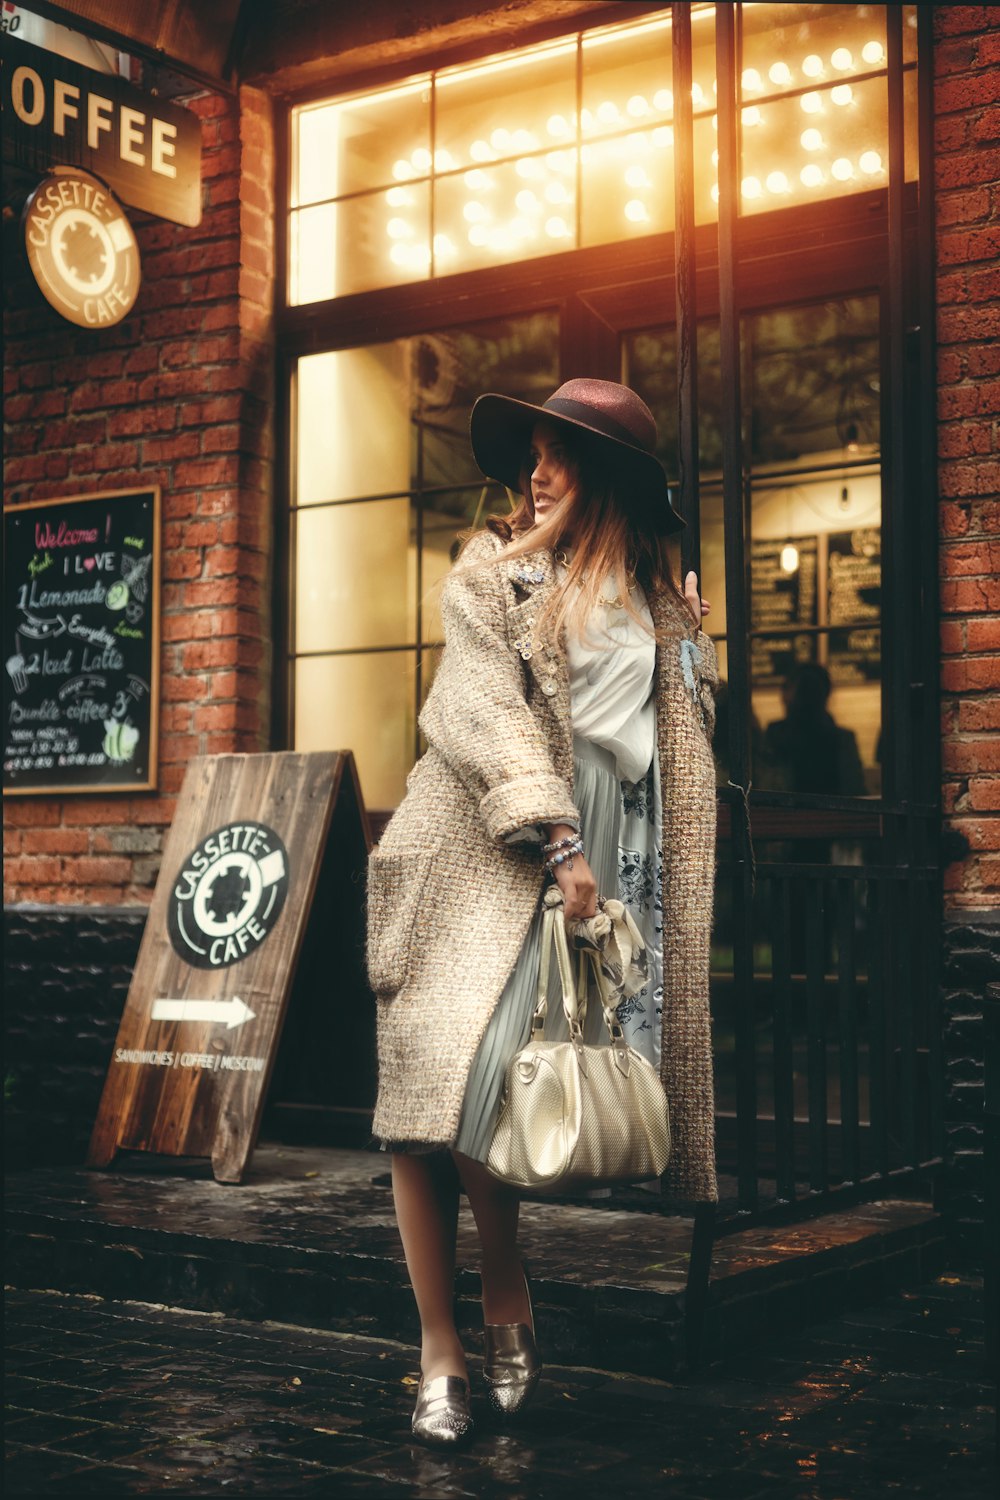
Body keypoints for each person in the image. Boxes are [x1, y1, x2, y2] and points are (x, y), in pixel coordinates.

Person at [365, 379, 720, 1446]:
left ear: (606, 472)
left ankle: (505, 1288)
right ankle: (447, 1344)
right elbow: (479, 712)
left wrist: (697, 649)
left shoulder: (656, 595)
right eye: (532, 451)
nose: (538, 469)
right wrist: (556, 838)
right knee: (434, 1094)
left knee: (497, 1093)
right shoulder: (492, 573)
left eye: (559, 452)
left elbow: (677, 744)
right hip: (485, 849)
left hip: (607, 847)